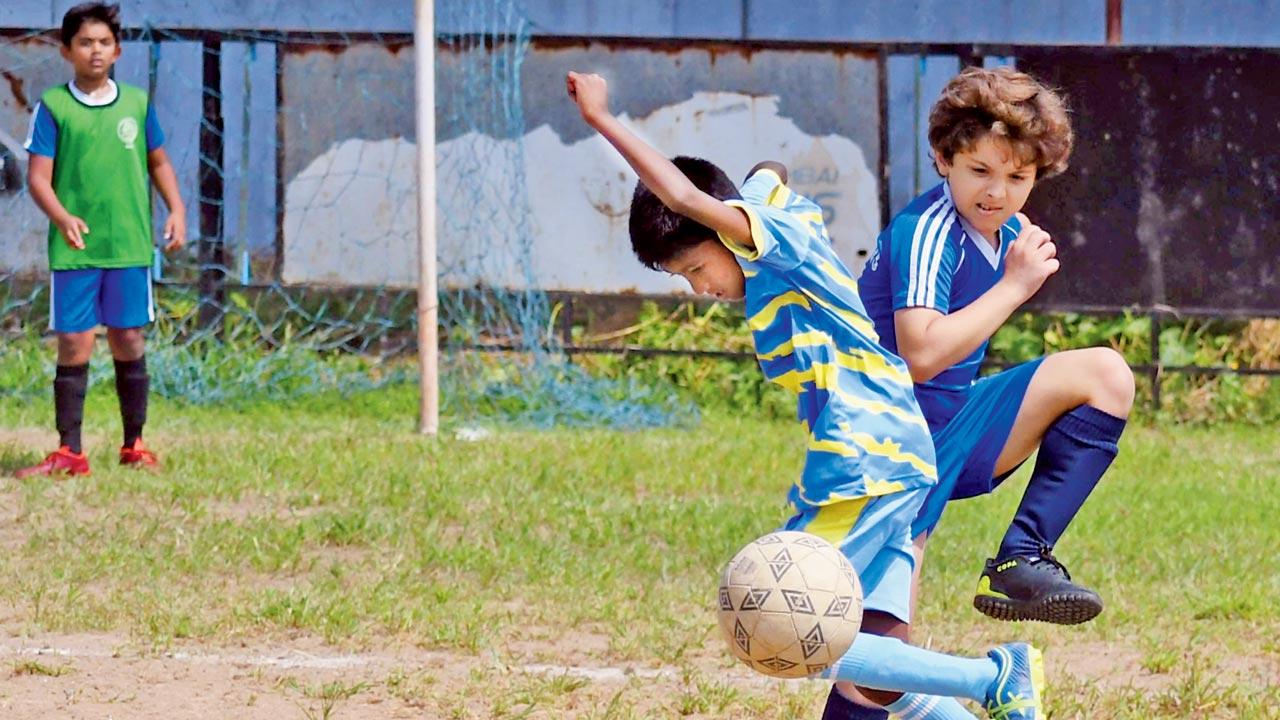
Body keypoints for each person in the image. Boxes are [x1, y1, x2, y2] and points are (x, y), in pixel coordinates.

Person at [568, 69, 1045, 720]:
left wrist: (601, 118)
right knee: (866, 654)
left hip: (867, 452)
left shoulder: (769, 242)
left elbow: (682, 193)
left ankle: (995, 676)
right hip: (892, 452)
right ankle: (977, 699)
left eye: (694, 269)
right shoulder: (772, 214)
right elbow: (769, 169)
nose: (698, 289)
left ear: (727, 231)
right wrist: (759, 186)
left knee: (801, 635)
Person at [858, 65, 1134, 626]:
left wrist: (1012, 277)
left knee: (1105, 373)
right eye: (979, 170)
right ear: (943, 160)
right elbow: (921, 356)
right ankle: (983, 688)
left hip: (952, 424)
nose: (996, 191)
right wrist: (1014, 286)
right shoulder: (930, 231)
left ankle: (1021, 556)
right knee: (881, 652)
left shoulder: (1003, 232)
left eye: (1017, 177)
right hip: (886, 443)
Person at [16, 1, 186, 478]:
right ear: (66, 50)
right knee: (74, 341)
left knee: (129, 337)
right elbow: (38, 178)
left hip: (129, 245)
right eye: (85, 42)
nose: (95, 51)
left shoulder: (137, 103)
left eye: (104, 42)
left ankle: (134, 443)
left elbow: (158, 162)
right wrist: (62, 216)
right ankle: (69, 451)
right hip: (76, 249)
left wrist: (177, 209)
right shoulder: (54, 107)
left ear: (117, 50)